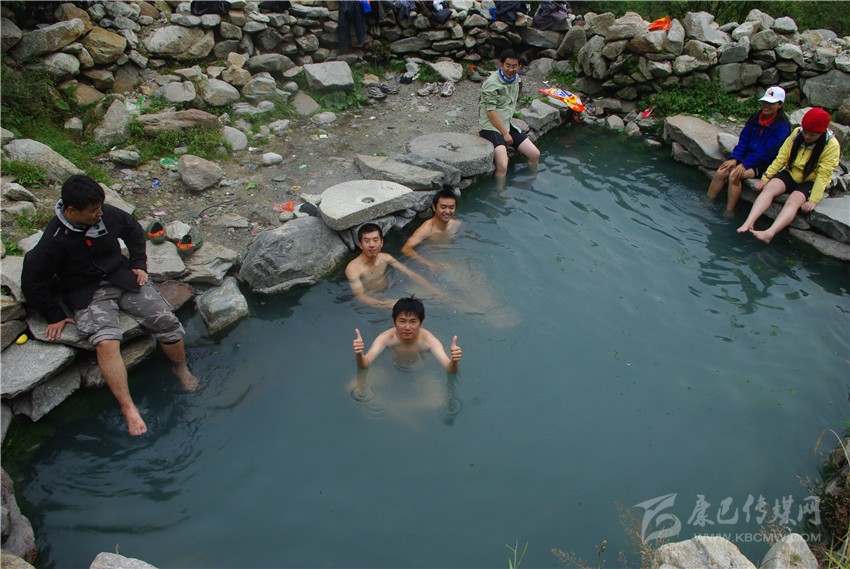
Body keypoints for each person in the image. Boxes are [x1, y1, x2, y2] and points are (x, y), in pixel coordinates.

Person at [21, 175, 198, 436]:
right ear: (71, 211)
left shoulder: (106, 215)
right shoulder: (54, 240)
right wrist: (53, 314)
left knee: (166, 321)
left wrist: (138, 263)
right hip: (87, 291)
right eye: (93, 210)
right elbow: (32, 280)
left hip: (122, 277)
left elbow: (134, 231)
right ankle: (128, 408)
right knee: (106, 341)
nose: (100, 214)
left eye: (100, 207)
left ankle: (180, 368)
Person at [737, 107, 841, 243]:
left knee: (793, 201)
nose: (807, 137)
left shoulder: (831, 145)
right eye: (806, 132)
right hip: (792, 172)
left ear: (821, 133)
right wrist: (766, 178)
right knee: (769, 189)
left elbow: (823, 175)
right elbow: (782, 157)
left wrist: (813, 200)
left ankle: (769, 233)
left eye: (812, 135)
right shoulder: (797, 133)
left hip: (811, 179)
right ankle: (749, 222)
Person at [707, 86, 791, 216]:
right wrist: (735, 158)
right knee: (721, 171)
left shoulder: (782, 127)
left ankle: (729, 210)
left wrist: (745, 165)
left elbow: (766, 152)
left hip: (764, 163)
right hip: (748, 156)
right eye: (764, 102)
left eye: (770, 103)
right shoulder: (756, 117)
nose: (766, 106)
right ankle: (708, 202)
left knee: (735, 175)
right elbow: (744, 139)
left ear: (780, 105)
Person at [478, 49, 541, 186]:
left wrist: (507, 130)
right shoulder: (492, 83)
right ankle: (500, 192)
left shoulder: (515, 79)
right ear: (501, 64)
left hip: (507, 123)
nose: (510, 69)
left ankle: (533, 179)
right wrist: (505, 134)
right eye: (507, 65)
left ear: (519, 66)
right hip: (490, 127)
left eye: (514, 66)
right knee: (502, 164)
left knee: (534, 154)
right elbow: (490, 112)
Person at [345, 223, 443, 308]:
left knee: (430, 302)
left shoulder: (385, 258)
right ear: (360, 245)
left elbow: (411, 274)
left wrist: (435, 291)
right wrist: (387, 304)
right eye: (367, 241)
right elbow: (361, 297)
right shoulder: (353, 269)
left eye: (375, 240)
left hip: (390, 290)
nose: (371, 245)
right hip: (374, 300)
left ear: (381, 242)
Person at [352, 297, 462, 373]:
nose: (407, 327)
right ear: (393, 321)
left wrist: (454, 361)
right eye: (402, 321)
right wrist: (359, 354)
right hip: (388, 370)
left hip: (422, 373)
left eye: (413, 321)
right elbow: (365, 364)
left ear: (421, 322)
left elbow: (449, 369)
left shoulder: (429, 340)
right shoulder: (386, 338)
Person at [400, 189, 461, 271]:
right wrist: (428, 264)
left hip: (448, 259)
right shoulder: (426, 229)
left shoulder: (456, 224)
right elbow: (406, 249)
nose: (447, 211)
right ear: (434, 207)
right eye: (443, 207)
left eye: (451, 207)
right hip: (430, 260)